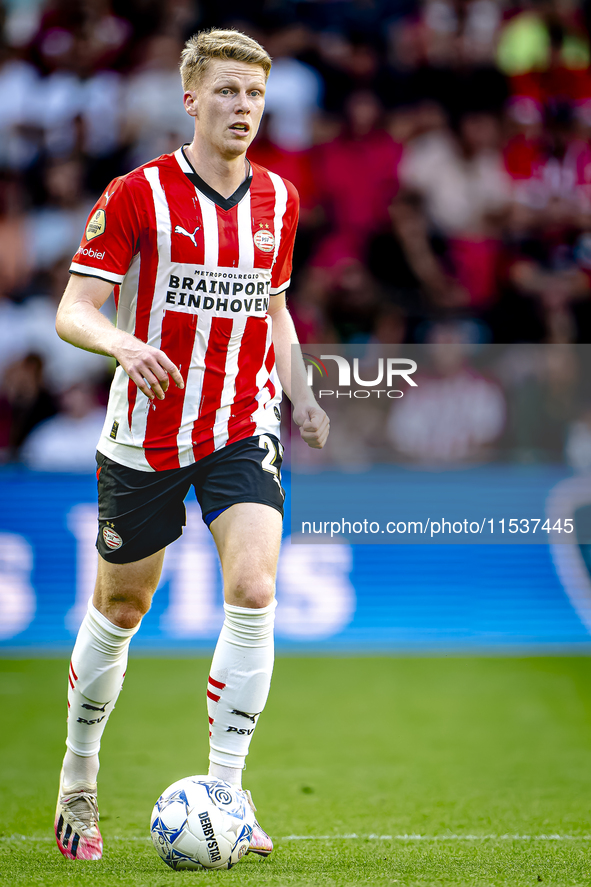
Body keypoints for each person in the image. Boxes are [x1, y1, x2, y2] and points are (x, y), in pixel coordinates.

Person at [53, 28, 329, 862]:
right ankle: (78, 772)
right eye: (226, 93)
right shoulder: (137, 193)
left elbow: (272, 310)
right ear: (191, 99)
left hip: (242, 422)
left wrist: (301, 388)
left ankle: (226, 793)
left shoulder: (279, 199)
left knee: (252, 585)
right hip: (147, 426)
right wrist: (123, 345)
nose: (242, 108)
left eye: (253, 94)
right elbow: (75, 307)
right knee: (122, 608)